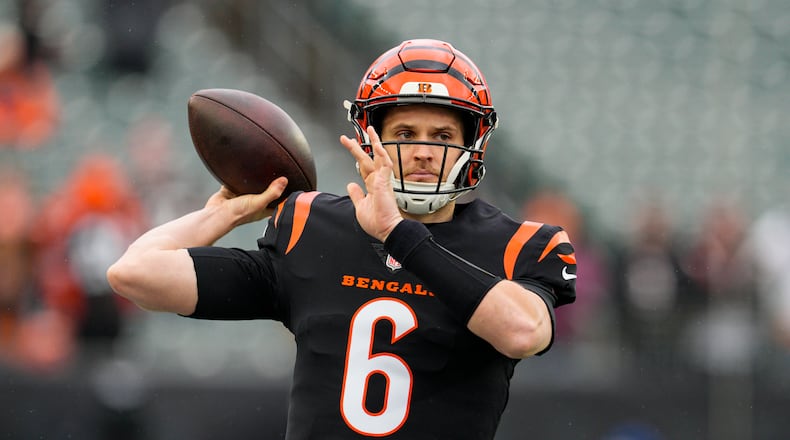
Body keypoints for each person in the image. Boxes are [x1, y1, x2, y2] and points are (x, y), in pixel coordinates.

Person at [107, 39, 576, 439]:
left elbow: (523, 332)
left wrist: (399, 235)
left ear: (472, 143)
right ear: (369, 138)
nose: (422, 151)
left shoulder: (519, 244)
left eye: (442, 135)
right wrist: (224, 214)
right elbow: (133, 273)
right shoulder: (313, 227)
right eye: (405, 132)